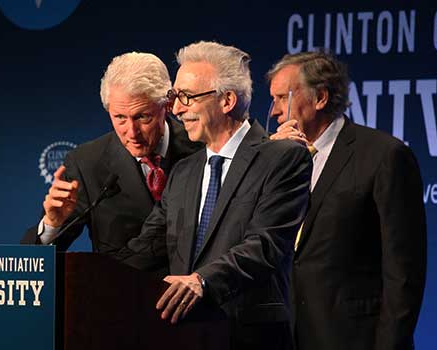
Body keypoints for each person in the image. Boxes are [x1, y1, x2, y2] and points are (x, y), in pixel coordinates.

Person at [118, 41, 312, 350]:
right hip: (186, 337)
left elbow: (265, 245)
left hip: (249, 339)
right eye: (174, 97)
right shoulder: (184, 173)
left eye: (186, 97)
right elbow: (144, 250)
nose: (177, 109)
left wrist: (201, 281)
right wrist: (75, 272)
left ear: (227, 101)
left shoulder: (282, 158)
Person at [267, 51, 427, 350]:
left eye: (281, 97)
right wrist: (268, 166)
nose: (274, 111)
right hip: (288, 337)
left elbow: (403, 272)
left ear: (321, 98)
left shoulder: (383, 156)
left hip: (354, 338)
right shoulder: (280, 159)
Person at [21, 52, 201, 264]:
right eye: (120, 118)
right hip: (121, 292)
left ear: (167, 106)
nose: (132, 132)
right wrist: (52, 223)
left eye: (142, 117)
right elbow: (31, 262)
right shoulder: (86, 163)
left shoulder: (202, 149)